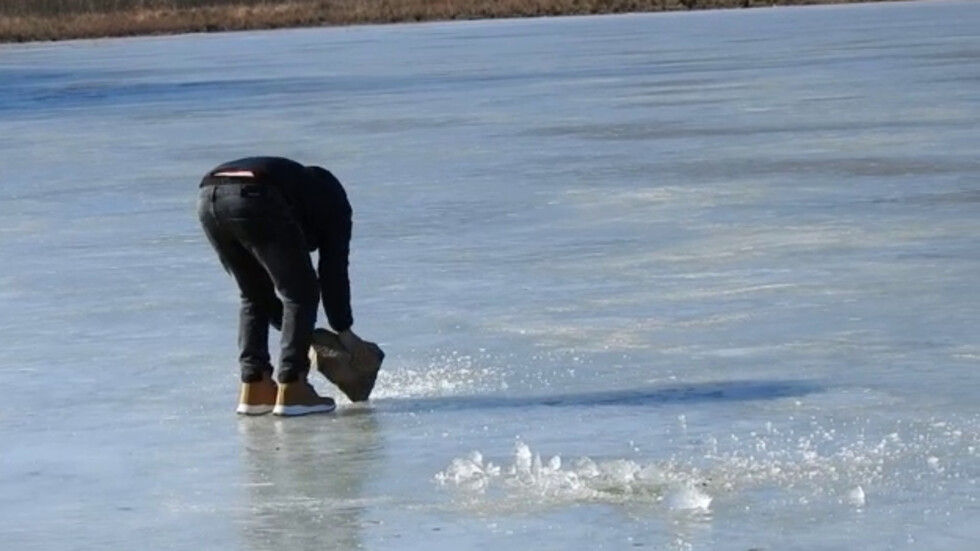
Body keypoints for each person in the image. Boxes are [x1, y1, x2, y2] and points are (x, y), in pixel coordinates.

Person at [197, 156, 376, 416]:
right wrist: (344, 331)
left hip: (208, 195)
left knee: (253, 294)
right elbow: (333, 271)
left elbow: (271, 300)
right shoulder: (336, 207)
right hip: (258, 194)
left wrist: (309, 336)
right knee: (301, 294)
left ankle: (254, 387)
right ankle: (293, 388)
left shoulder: (302, 194)